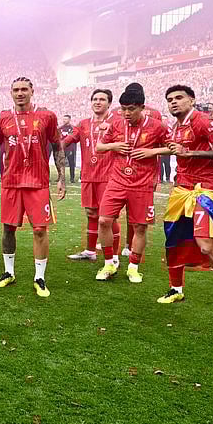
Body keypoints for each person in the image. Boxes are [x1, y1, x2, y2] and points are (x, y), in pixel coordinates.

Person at [160, 84, 213, 324]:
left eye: (179, 98)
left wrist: (190, 154)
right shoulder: (177, 126)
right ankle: (176, 290)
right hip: (181, 190)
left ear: (192, 100)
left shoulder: (202, 121)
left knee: (207, 246)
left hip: (204, 190)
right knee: (173, 240)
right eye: (170, 99)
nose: (173, 102)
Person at [0, 77, 67, 297]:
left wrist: (62, 177)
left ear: (32, 91)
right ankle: (8, 272)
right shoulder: (2, 118)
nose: (20, 93)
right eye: (16, 90)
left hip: (38, 182)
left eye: (24, 89)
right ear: (10, 93)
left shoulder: (46, 116)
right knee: (8, 228)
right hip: (11, 182)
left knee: (40, 229)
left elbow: (57, 147)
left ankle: (39, 277)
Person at [92, 83, 170, 285]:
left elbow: (174, 148)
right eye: (123, 109)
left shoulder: (157, 127)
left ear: (142, 107)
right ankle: (109, 263)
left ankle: (134, 267)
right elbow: (100, 147)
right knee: (103, 221)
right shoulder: (116, 124)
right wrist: (114, 146)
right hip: (117, 181)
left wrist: (153, 152)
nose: (126, 113)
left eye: (131, 109)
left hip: (142, 184)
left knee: (140, 227)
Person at [63, 88, 118, 262]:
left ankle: (114, 256)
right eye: (95, 99)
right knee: (91, 212)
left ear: (109, 103)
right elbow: (69, 139)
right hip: (88, 175)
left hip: (109, 176)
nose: (97, 102)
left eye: (102, 99)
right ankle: (90, 251)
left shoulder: (117, 122)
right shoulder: (84, 124)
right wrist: (55, 145)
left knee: (108, 216)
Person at [59, 114, 77, 183]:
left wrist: (72, 148)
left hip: (70, 149)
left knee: (71, 164)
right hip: (62, 149)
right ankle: (61, 178)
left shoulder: (73, 128)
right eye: (63, 119)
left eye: (66, 119)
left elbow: (74, 138)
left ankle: (72, 178)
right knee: (61, 164)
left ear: (69, 120)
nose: (64, 120)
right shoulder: (60, 128)